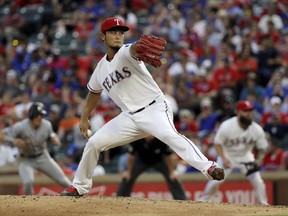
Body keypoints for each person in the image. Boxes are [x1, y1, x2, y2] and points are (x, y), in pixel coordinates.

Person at [61, 17, 224, 196]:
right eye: (113, 32)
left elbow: (134, 48)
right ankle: (79, 186)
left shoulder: (125, 52)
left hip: (154, 108)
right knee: (94, 143)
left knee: (171, 136)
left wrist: (138, 46)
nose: (118, 36)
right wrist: (84, 118)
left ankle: (209, 167)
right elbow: (94, 92)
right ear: (103, 36)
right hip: (129, 117)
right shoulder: (100, 69)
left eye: (120, 33)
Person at [198, 100, 269, 205]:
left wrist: (259, 160)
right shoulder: (227, 125)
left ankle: (264, 205)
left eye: (250, 110)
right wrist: (223, 158)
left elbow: (263, 148)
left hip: (246, 158)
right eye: (245, 110)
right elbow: (217, 143)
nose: (248, 113)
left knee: (258, 180)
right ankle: (203, 202)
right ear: (238, 112)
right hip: (228, 156)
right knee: (216, 180)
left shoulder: (256, 129)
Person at [1, 102, 71, 195]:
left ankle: (80, 199)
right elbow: (2, 135)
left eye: (41, 115)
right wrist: (13, 141)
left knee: (63, 180)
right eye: (37, 115)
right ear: (31, 115)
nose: (39, 117)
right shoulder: (20, 126)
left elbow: (51, 135)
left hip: (42, 156)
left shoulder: (46, 125)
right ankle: (30, 205)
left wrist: (54, 138)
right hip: (25, 159)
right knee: (27, 182)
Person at [116, 136, 187, 200]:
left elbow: (169, 156)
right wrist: (128, 172)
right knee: (128, 177)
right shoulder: (137, 138)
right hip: (141, 160)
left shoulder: (161, 138)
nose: (150, 135)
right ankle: (120, 199)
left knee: (173, 177)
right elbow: (131, 156)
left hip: (159, 160)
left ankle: (182, 199)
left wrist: (172, 172)